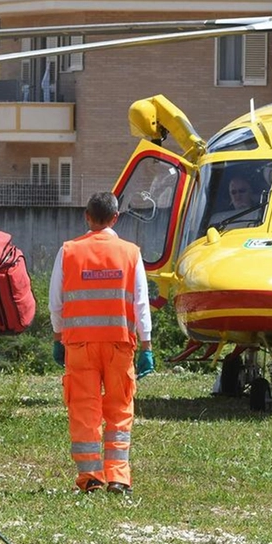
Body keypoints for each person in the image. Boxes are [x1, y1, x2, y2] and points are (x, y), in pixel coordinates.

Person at [49, 192, 155, 495]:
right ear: (115, 217)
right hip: (119, 343)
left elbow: (56, 302)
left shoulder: (68, 251)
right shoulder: (130, 252)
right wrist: (146, 345)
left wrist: (59, 337)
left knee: (84, 408)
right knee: (120, 408)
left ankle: (91, 477)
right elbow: (141, 304)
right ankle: (119, 476)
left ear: (86, 216)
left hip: (79, 345)